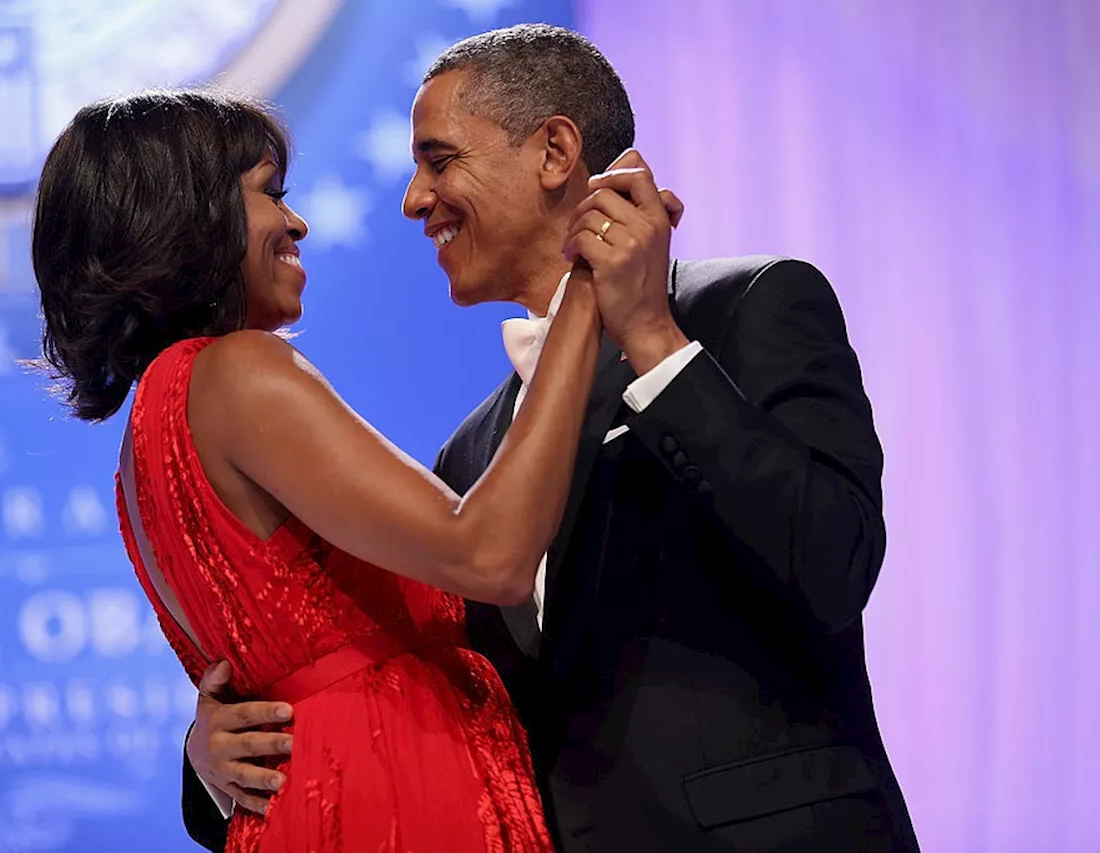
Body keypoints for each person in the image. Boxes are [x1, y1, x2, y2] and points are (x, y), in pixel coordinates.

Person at [183, 24, 920, 853]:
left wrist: (653, 341)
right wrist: (211, 762)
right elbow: (399, 675)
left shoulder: (748, 309)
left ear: (555, 151)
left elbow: (835, 561)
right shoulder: (473, 455)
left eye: (439, 159)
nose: (413, 199)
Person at [31, 87, 676, 852]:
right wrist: (582, 293)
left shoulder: (153, 428)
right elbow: (490, 555)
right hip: (390, 794)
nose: (296, 221)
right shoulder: (233, 373)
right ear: (188, 217)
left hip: (319, 803)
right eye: (269, 195)